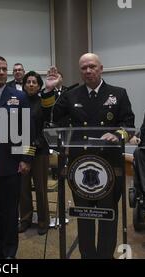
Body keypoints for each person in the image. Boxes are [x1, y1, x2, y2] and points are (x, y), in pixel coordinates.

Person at [52, 53, 135, 259]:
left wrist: (117, 134)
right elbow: (53, 119)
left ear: (101, 68)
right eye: (83, 68)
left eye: (92, 66)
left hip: (109, 164)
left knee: (108, 214)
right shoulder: (71, 95)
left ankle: (105, 255)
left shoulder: (118, 93)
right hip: (80, 165)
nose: (88, 71)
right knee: (84, 214)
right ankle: (87, 255)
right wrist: (51, 90)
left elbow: (129, 126)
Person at [0, 56, 33, 259]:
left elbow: (28, 130)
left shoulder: (18, 97)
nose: (2, 72)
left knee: (10, 212)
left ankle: (10, 252)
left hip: (11, 165)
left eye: (4, 69)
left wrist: (27, 159)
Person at [18, 71, 50, 235]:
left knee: (40, 188)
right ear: (23, 85)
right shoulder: (18, 102)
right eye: (28, 82)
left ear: (39, 86)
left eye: (34, 82)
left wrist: (31, 148)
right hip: (21, 150)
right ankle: (25, 219)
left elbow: (45, 129)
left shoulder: (43, 102)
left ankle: (43, 221)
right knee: (22, 188)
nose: (31, 84)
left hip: (39, 151)